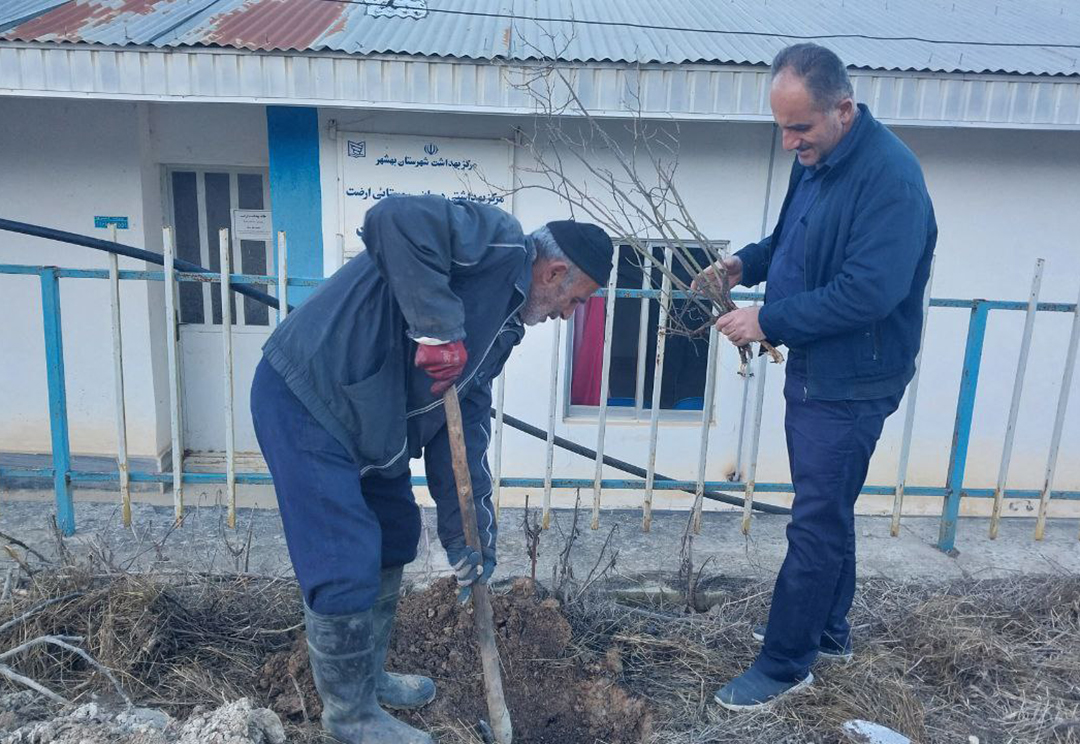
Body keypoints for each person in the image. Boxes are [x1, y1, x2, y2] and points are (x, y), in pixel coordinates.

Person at [250, 195, 612, 743]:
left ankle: (365, 680)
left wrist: (470, 535)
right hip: (311, 397)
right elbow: (392, 219)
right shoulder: (498, 240)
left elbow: (461, 430)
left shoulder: (504, 327)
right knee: (342, 555)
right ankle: (349, 716)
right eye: (575, 301)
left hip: (373, 422)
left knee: (395, 535)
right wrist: (438, 329)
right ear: (556, 271)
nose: (567, 315)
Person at [696, 43, 937, 710]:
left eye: (799, 127)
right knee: (829, 508)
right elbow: (789, 242)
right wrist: (742, 265)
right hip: (818, 366)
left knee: (815, 523)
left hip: (854, 380)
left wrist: (767, 320)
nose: (787, 143)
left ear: (844, 110)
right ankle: (827, 632)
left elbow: (869, 293)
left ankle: (784, 663)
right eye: (781, 127)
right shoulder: (818, 160)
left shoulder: (891, 181)